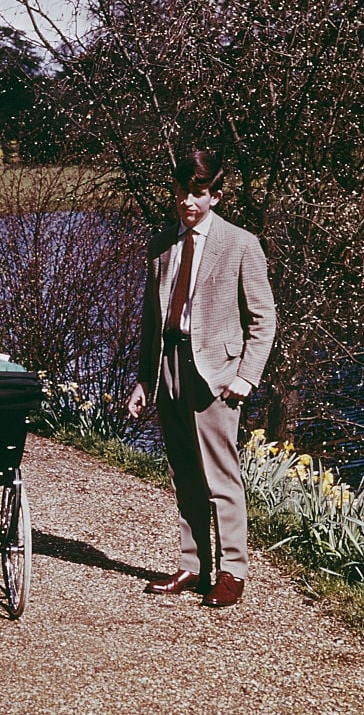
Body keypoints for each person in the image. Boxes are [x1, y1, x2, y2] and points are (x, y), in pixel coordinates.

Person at [127, 149, 276, 608]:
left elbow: (263, 319)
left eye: (197, 194)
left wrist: (245, 378)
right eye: (180, 193)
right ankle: (193, 566)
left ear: (215, 195)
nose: (187, 202)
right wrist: (144, 380)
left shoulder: (241, 244)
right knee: (183, 472)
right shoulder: (161, 244)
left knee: (221, 476)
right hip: (168, 364)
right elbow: (151, 321)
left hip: (215, 373)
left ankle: (233, 572)